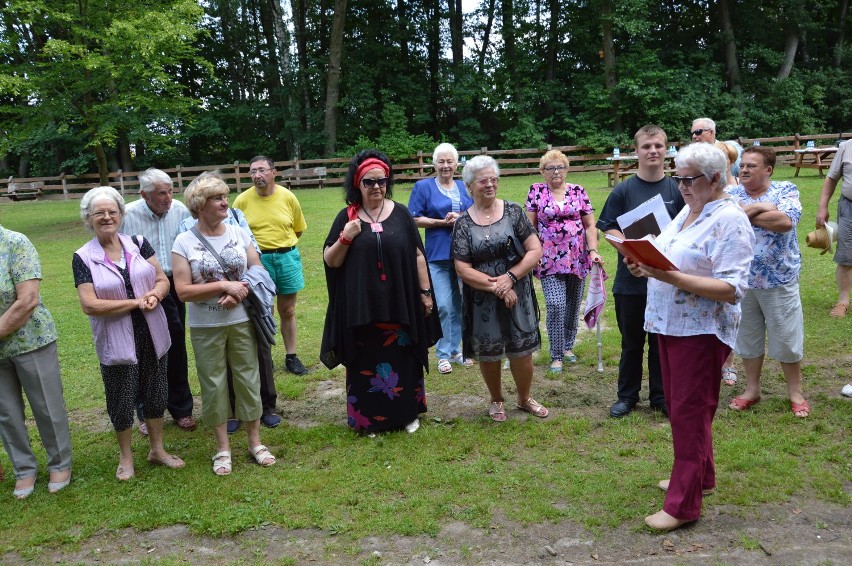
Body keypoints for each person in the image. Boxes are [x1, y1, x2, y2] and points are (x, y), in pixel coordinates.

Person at [628, 142, 754, 531]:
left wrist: (670, 276)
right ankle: (703, 476)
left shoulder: (730, 219)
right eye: (678, 177)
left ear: (715, 179)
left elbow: (733, 288)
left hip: (700, 332)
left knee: (688, 412)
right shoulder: (690, 208)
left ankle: (683, 505)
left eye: (688, 179)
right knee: (689, 409)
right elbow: (666, 252)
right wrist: (643, 264)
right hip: (670, 324)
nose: (680, 185)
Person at [321, 149, 439, 434]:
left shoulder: (400, 214)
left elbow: (418, 256)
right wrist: (345, 238)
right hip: (362, 307)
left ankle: (407, 414)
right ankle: (368, 420)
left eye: (382, 181)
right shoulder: (345, 218)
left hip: (400, 304)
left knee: (403, 358)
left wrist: (425, 293)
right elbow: (330, 260)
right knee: (365, 362)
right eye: (369, 182)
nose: (376, 187)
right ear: (357, 185)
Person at [73, 186, 185, 481]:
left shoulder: (138, 243)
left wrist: (156, 296)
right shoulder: (83, 257)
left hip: (152, 331)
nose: (107, 217)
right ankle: (125, 457)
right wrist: (135, 302)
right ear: (89, 218)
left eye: (112, 212)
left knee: (156, 391)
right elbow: (89, 304)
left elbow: (161, 279)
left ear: (121, 215)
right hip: (116, 337)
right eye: (100, 213)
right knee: (121, 397)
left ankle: (157, 450)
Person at [172, 174, 276, 475]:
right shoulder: (184, 241)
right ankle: (222, 448)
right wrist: (223, 287)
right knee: (214, 383)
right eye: (217, 198)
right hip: (205, 326)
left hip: (243, 319)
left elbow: (256, 267)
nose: (224, 203)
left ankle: (256, 443)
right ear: (199, 206)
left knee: (248, 377)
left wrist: (239, 289)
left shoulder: (238, 232)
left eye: (224, 196)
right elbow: (183, 290)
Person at [597, 125, 685, 418]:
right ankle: (627, 396)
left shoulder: (676, 189)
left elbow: (688, 227)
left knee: (661, 341)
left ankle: (661, 396)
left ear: (667, 150)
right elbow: (609, 227)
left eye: (658, 146)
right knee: (631, 343)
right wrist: (632, 253)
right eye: (646, 146)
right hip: (630, 280)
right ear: (636, 151)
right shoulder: (623, 190)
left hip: (666, 279)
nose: (653, 151)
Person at [452, 155, 547, 422]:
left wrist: (511, 278)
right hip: (482, 298)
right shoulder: (463, 224)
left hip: (518, 293)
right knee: (490, 352)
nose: (490, 185)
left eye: (494, 179)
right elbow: (462, 268)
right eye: (484, 180)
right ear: (470, 186)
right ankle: (496, 399)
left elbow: (535, 249)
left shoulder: (514, 212)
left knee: (522, 349)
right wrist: (498, 287)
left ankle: (525, 397)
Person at [727, 146, 810, 417]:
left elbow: (785, 221)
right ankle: (752, 389)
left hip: (778, 279)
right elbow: (726, 222)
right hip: (743, 281)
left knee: (786, 339)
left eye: (752, 165)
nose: (745, 170)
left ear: (768, 170)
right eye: (743, 165)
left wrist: (744, 212)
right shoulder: (730, 194)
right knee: (748, 339)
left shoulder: (786, 190)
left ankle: (795, 392)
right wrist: (762, 207)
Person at [121, 168, 196, 434]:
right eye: (161, 193)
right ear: (145, 195)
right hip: (143, 288)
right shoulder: (127, 215)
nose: (168, 197)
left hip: (175, 283)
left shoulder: (180, 211)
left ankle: (181, 407)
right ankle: (145, 411)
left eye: (170, 191)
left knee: (176, 343)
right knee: (145, 347)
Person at [1, 225, 72, 498]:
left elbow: (28, 299)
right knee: (5, 412)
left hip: (30, 339)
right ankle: (23, 469)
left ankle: (60, 464)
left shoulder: (15, 242)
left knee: (46, 406)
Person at [525, 149, 602, 374]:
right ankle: (556, 354)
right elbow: (530, 227)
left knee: (572, 304)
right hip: (547, 258)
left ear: (566, 170)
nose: (556, 172)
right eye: (550, 168)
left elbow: (589, 225)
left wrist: (593, 250)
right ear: (542, 172)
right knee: (556, 304)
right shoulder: (536, 191)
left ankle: (568, 346)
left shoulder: (578, 191)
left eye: (560, 167)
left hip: (577, 257)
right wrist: (532, 253)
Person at [233, 156, 309, 375]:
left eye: (262, 170)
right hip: (257, 261)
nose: (257, 175)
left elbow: (297, 229)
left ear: (273, 172)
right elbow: (235, 233)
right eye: (253, 171)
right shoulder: (242, 201)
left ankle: (291, 356)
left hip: (286, 258)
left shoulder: (288, 197)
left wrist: (281, 247)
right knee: (263, 310)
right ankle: (265, 356)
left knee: (288, 309)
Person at [408, 143, 474, 374]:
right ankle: (443, 353)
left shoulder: (464, 186)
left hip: (466, 254)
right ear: (434, 164)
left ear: (457, 164)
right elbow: (413, 218)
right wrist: (441, 222)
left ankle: (456, 349)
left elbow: (478, 212)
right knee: (444, 305)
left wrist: (461, 217)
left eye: (450, 162)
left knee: (462, 304)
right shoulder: (423, 187)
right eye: (441, 161)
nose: (446, 166)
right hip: (437, 254)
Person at [816, 138, 852, 319]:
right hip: (849, 207)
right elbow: (831, 178)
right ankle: (843, 301)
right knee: (846, 256)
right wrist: (823, 207)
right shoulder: (846, 147)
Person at [715, 140, 741, 386]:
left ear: (731, 162)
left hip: (734, 260)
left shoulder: (739, 189)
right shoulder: (708, 191)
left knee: (731, 313)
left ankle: (729, 364)